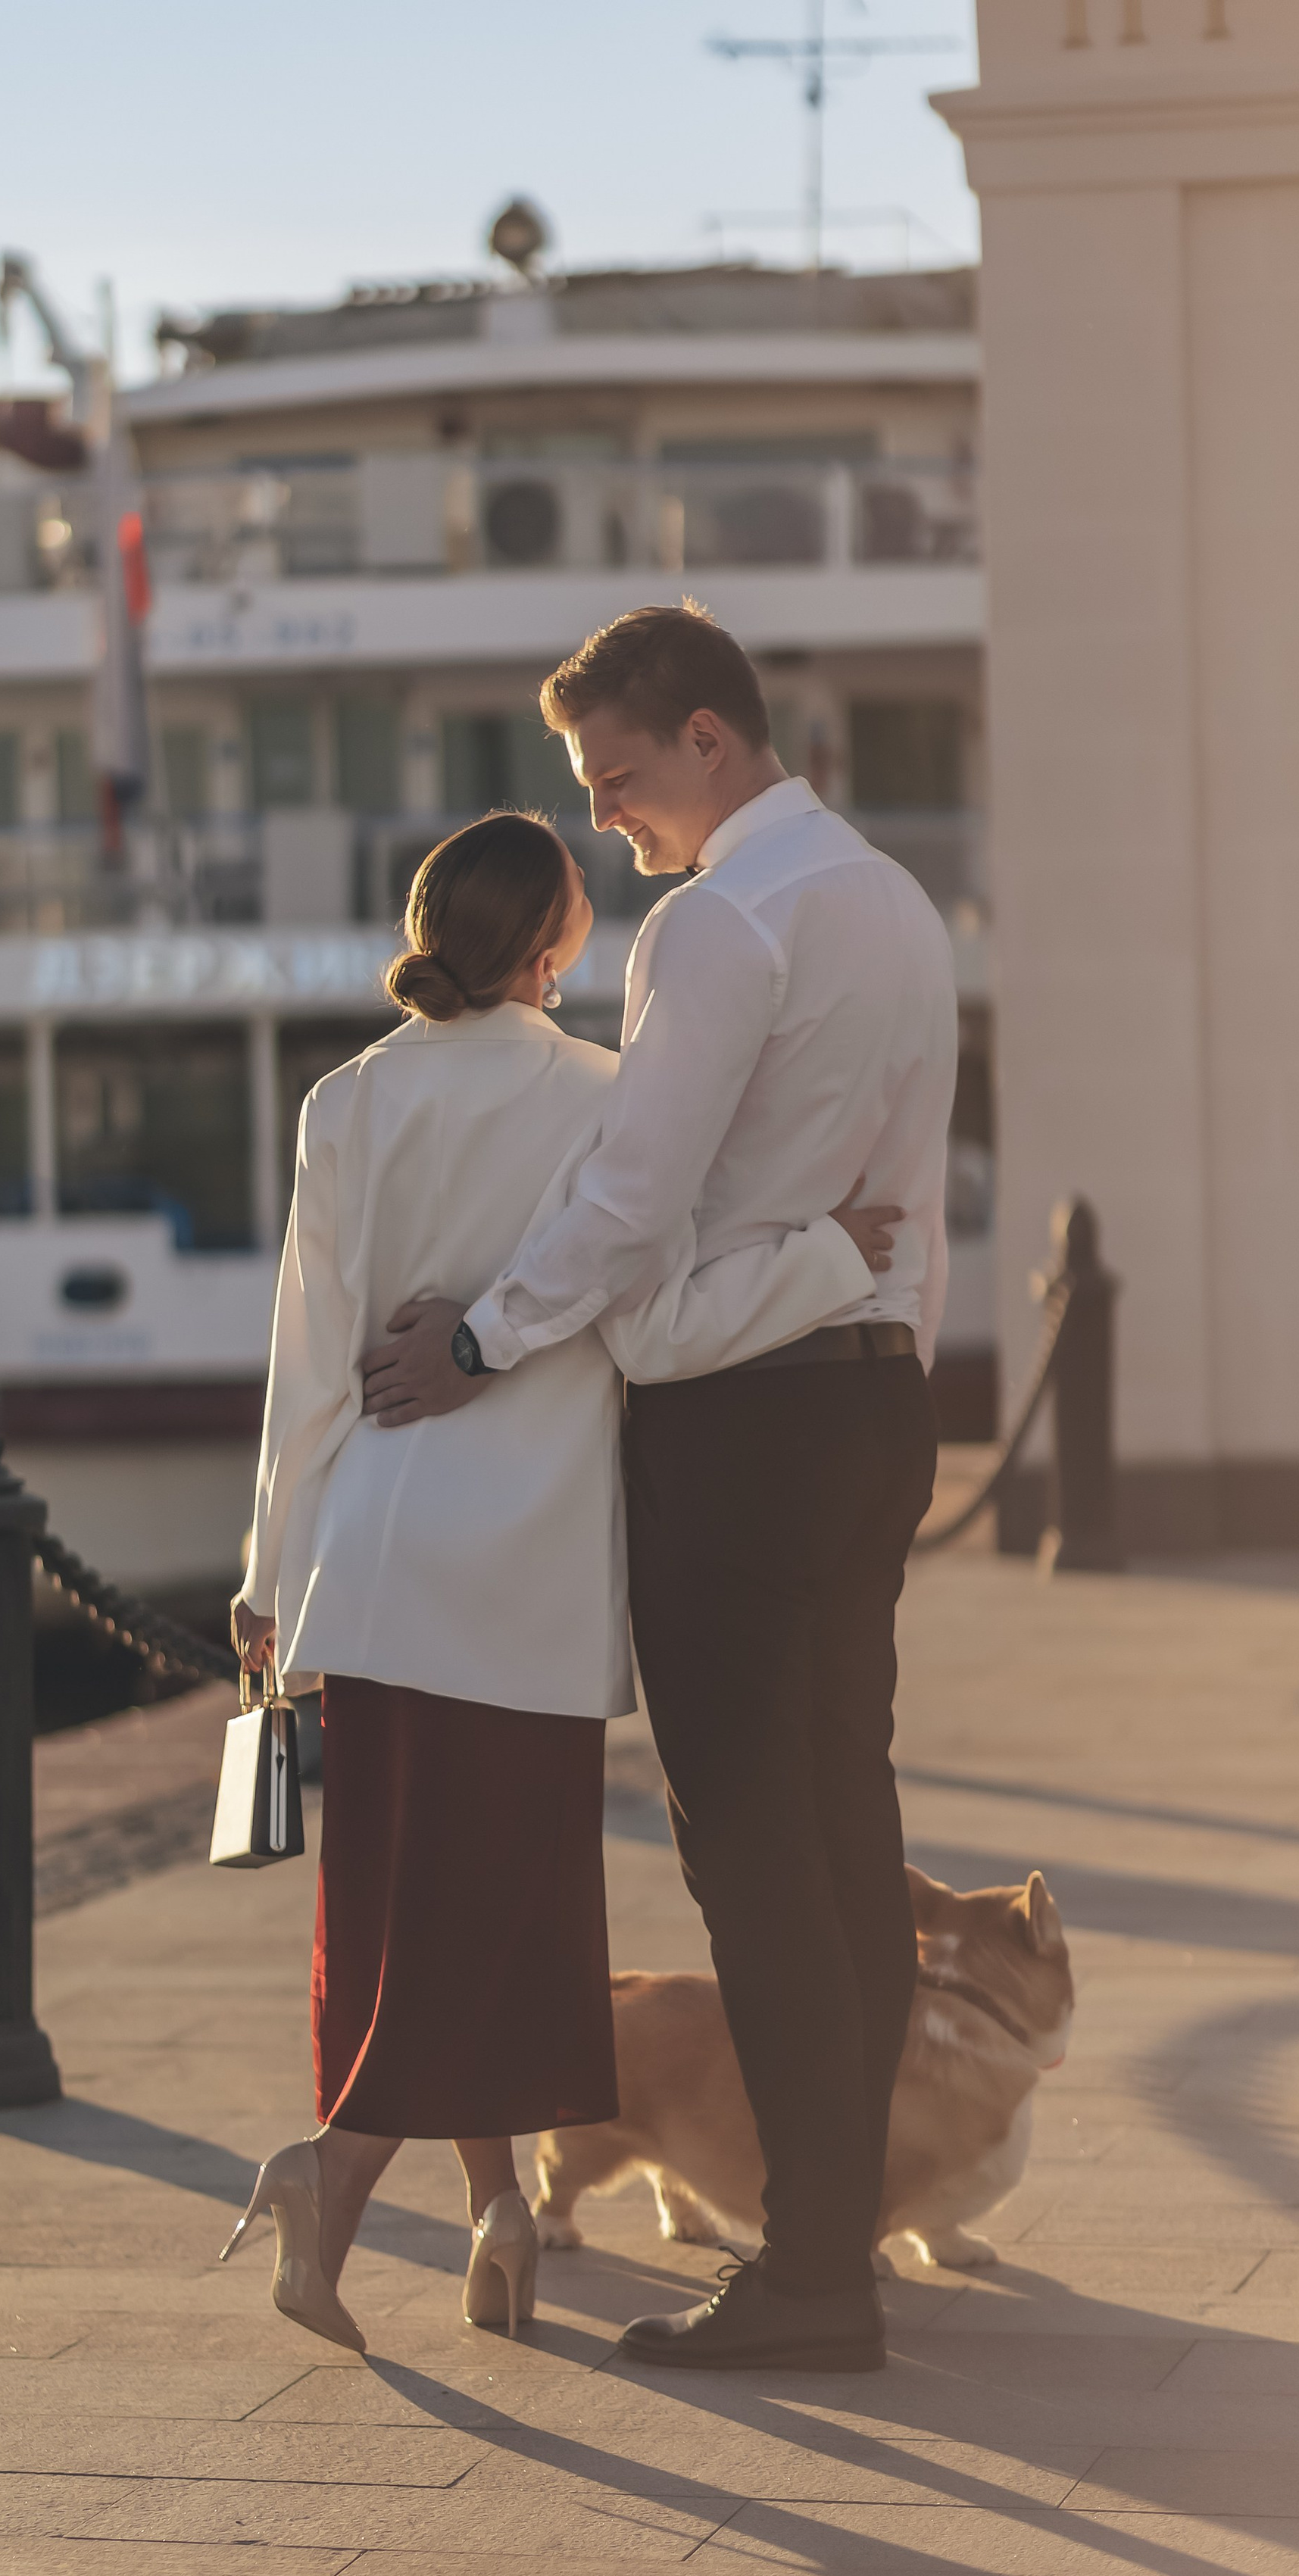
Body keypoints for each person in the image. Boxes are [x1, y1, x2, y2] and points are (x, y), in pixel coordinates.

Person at [361, 604, 958, 2375]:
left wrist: (478, 1339)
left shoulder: (717, 924)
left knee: (755, 1855)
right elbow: (906, 1203)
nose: (603, 818)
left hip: (741, 1425)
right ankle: (836, 2244)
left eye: (615, 777)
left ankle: (814, 2278)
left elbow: (630, 1199)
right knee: (847, 1829)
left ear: (708, 737)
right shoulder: (893, 903)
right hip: (876, 1401)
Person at [223, 806, 898, 2356]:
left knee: (404, 1906)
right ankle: (337, 2177)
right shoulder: (604, 1098)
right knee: (501, 1913)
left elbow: (307, 1365)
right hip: (521, 1580)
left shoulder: (344, 1102)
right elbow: (658, 1320)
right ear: (554, 943)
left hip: (375, 1564)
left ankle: (497, 2214)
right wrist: (828, 1257)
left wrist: (271, 1569)